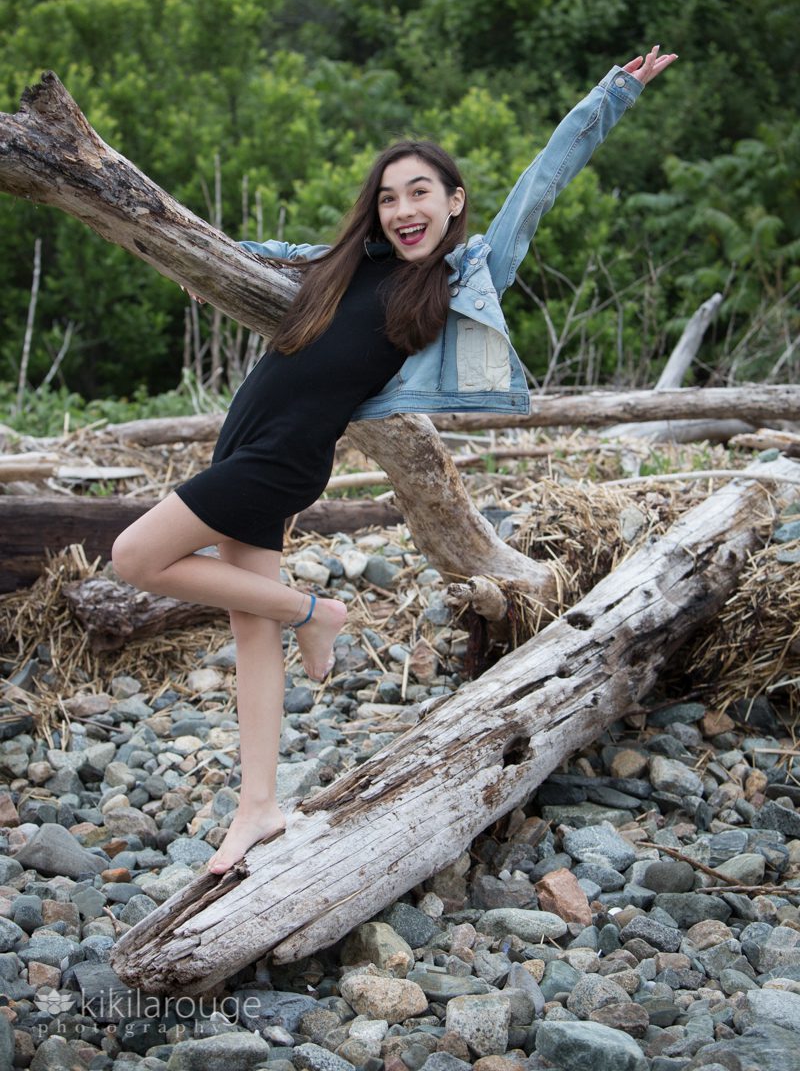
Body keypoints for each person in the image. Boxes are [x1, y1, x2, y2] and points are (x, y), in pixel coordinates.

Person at [111, 45, 677, 876]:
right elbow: (248, 252)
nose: (404, 209)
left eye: (422, 193)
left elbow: (540, 186)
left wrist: (611, 97)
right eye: (388, 197)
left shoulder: (459, 279)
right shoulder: (348, 262)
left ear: (453, 203)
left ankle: (316, 611)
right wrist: (199, 260)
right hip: (245, 437)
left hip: (284, 456)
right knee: (248, 627)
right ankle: (258, 806)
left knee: (133, 559)